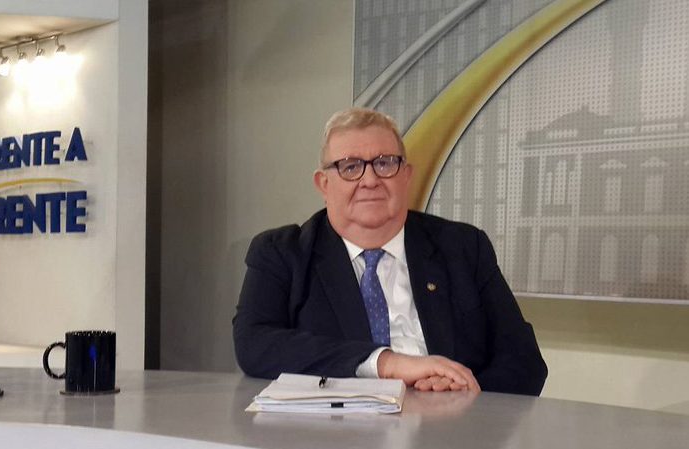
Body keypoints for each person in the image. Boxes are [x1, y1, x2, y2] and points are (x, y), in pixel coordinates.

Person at [233, 108, 547, 395]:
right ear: (323, 184)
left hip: (452, 427)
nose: (370, 180)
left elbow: (524, 360)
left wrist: (462, 392)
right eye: (350, 167)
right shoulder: (281, 253)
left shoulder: (463, 247)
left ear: (406, 175)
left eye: (384, 163)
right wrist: (386, 363)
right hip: (336, 431)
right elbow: (254, 344)